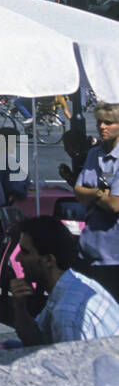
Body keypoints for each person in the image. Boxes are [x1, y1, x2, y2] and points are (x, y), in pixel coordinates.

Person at [9, 216, 119, 345]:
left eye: (25, 252)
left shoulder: (66, 313)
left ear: (49, 260)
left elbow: (72, 364)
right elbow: (36, 339)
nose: (17, 258)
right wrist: (20, 306)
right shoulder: (73, 282)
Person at [74, 103, 119, 267]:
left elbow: (115, 205)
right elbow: (78, 192)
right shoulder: (94, 153)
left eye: (108, 123)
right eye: (99, 121)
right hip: (89, 243)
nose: (101, 126)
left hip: (113, 251)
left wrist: (90, 193)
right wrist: (101, 193)